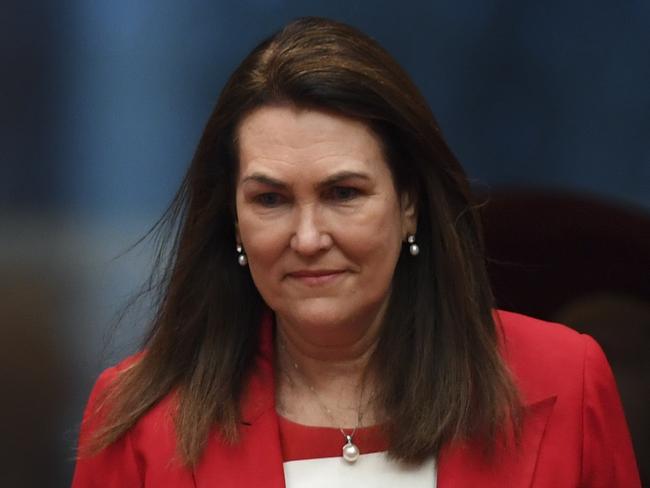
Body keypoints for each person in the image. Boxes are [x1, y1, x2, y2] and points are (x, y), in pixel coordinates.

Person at [72, 17, 640, 487]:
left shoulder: (569, 378)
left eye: (343, 193)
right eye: (270, 199)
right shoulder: (138, 419)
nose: (310, 238)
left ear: (409, 203)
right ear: (234, 221)